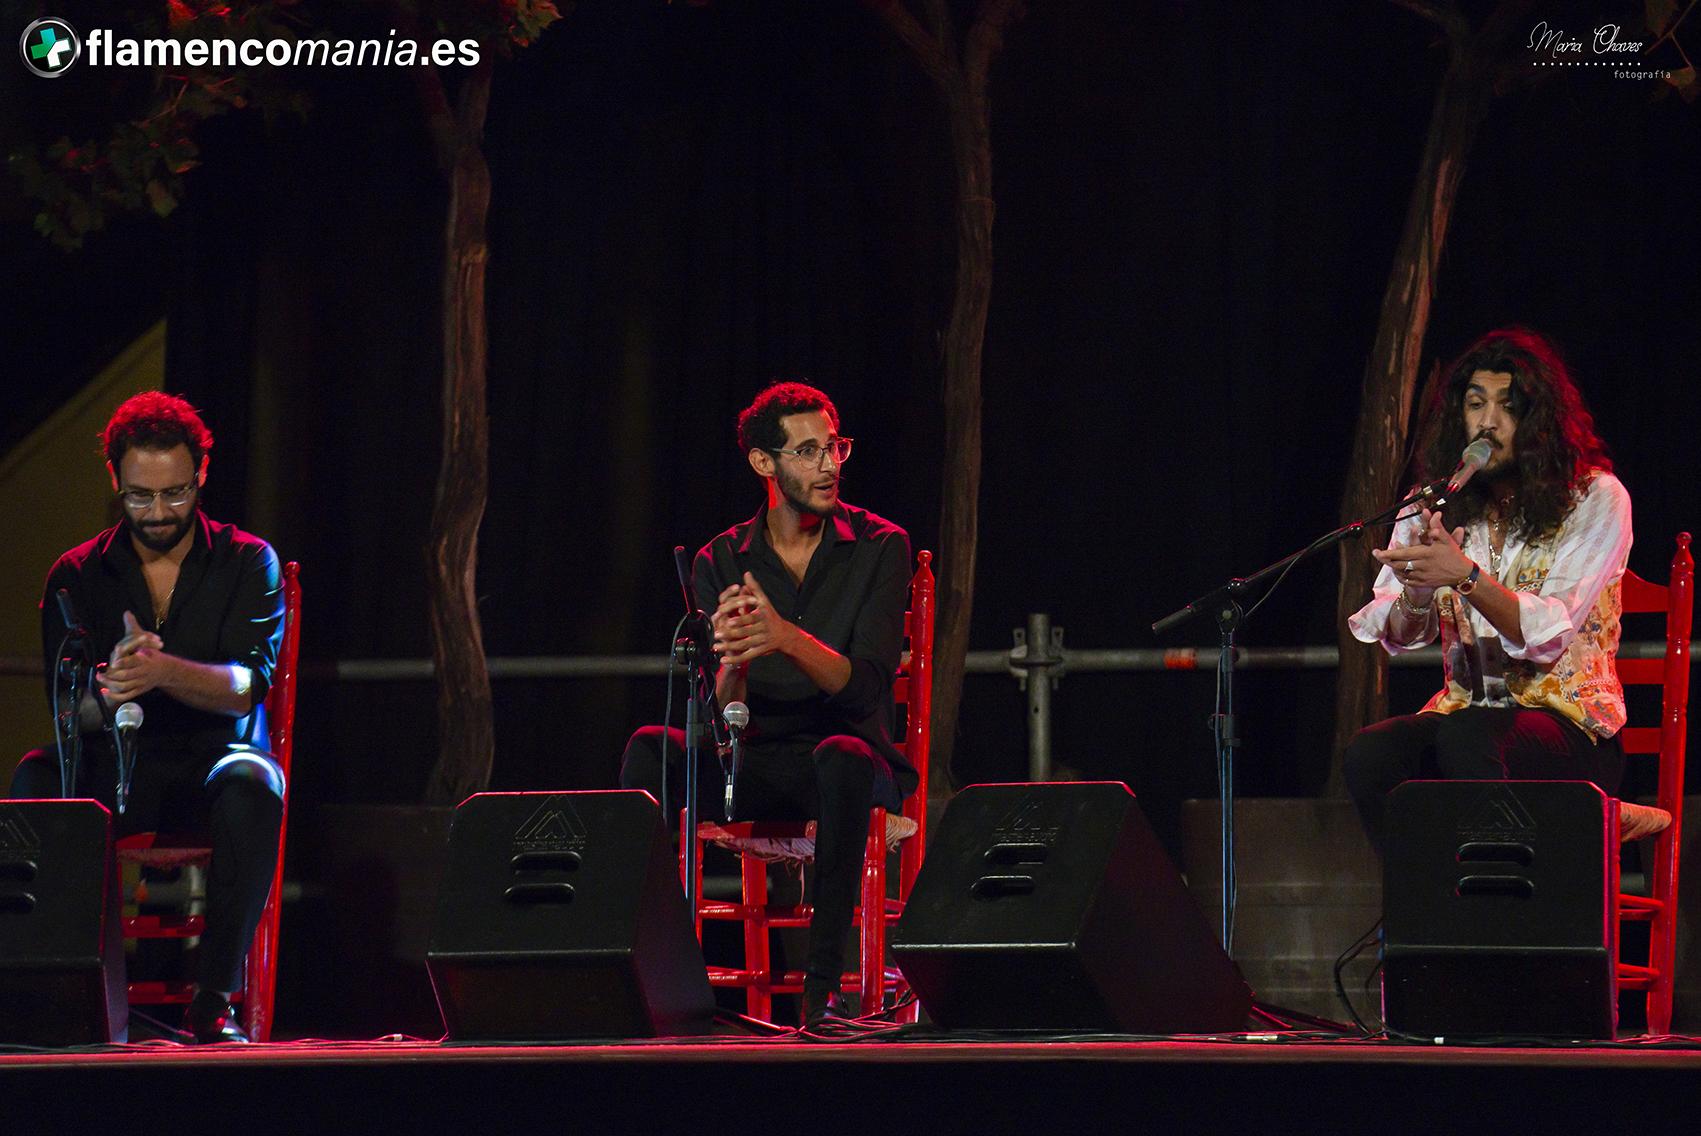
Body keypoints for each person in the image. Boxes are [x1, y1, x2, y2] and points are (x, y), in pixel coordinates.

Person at [620, 381, 914, 1024]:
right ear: (765, 463)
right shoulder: (720, 559)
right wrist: (732, 664)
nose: (830, 464)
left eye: (834, 447)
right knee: (651, 749)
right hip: (752, 762)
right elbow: (719, 713)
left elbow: (867, 687)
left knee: (841, 755)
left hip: (847, 763)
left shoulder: (879, 546)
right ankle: (644, 979)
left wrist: (786, 636)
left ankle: (822, 993)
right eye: (809, 452)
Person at [10, 392, 286, 1043]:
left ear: (201, 476)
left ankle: (212, 999)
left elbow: (248, 686)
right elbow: (68, 713)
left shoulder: (248, 561)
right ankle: (56, 987)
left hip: (211, 765)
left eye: (175, 494)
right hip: (119, 767)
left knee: (255, 785)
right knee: (34, 779)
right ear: (116, 480)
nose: (159, 513)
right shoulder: (76, 575)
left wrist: (165, 672)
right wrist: (108, 693)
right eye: (140, 497)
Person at [1340, 327, 1660, 853]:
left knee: (1467, 738)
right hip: (1467, 720)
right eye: (1475, 404)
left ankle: (1497, 912)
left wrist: (1464, 576)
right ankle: (1425, 910)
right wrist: (1417, 591)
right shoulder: (1436, 504)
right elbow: (1399, 636)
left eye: (1508, 406)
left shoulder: (1594, 500)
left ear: (1541, 420)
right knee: (1373, 755)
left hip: (1573, 731)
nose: (1487, 422)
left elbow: (1549, 633)